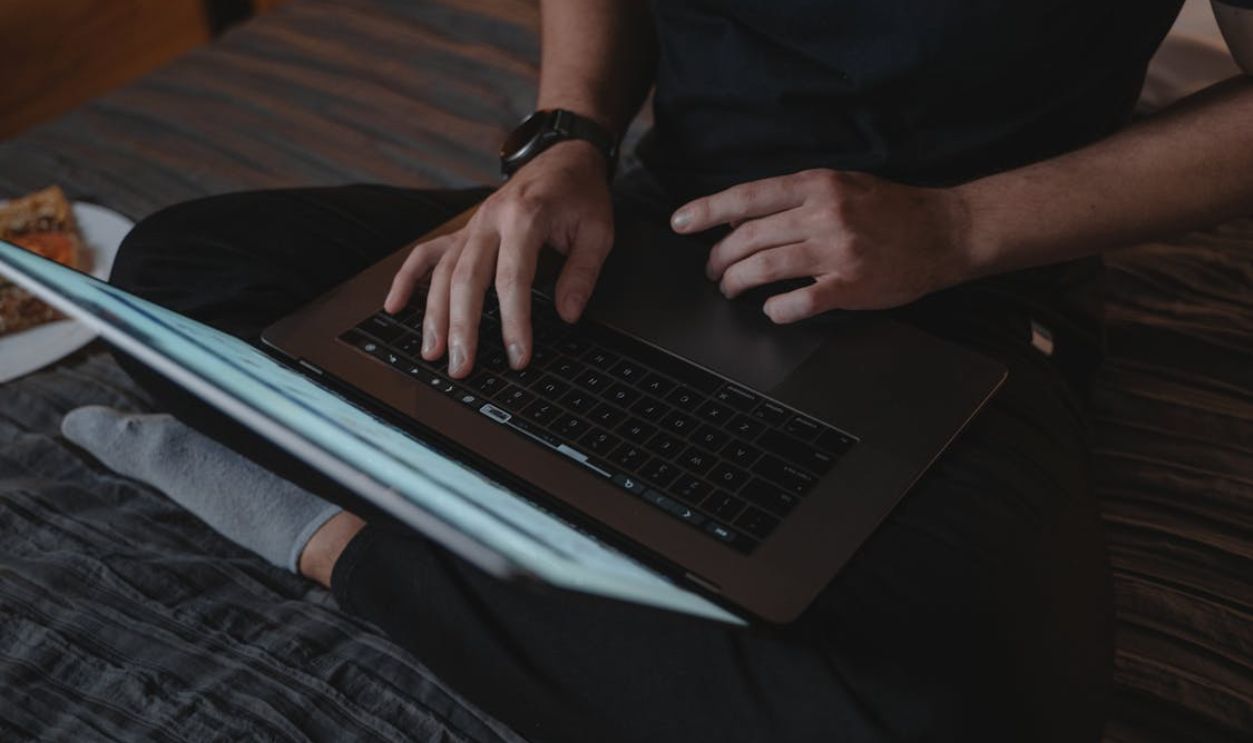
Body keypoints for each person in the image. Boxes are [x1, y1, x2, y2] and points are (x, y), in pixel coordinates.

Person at [60, 1, 1253, 741]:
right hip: (646, 228)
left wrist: (953, 230)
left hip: (964, 295)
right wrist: (562, 141)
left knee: (978, 720)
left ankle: (334, 540)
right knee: (178, 275)